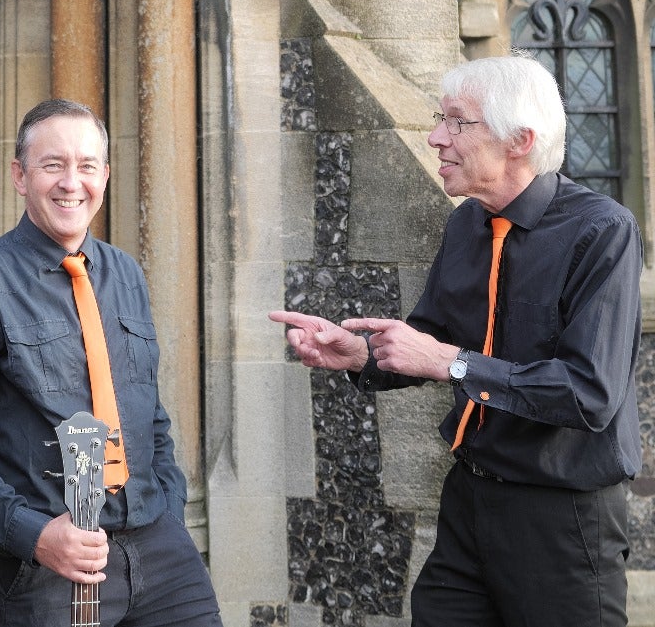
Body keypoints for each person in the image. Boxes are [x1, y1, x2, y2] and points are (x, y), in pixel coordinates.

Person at [270, 54, 639, 626]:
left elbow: (589, 393)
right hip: (468, 501)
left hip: (562, 518)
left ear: (519, 139)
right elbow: (435, 341)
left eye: (456, 122)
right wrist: (362, 355)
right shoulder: (467, 223)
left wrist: (454, 363)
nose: (436, 137)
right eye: (440, 118)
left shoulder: (602, 230)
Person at [0, 99, 221, 627]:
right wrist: (35, 537)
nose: (71, 182)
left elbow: (149, 412)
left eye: (87, 166)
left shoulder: (125, 274)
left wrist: (170, 513)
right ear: (19, 175)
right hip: (47, 570)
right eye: (52, 165)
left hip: (160, 552)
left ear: (105, 176)